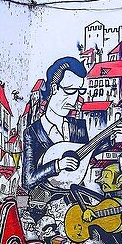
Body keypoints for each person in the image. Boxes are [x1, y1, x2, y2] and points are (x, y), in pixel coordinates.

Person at [21, 57, 90, 192]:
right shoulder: (33, 132)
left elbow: (88, 152)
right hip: (44, 205)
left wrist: (112, 135)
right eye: (70, 91)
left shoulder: (78, 126)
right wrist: (57, 165)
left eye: (79, 91)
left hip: (78, 202)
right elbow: (28, 181)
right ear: (54, 88)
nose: (74, 99)